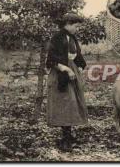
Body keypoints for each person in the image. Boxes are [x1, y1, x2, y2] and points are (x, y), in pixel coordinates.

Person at [45, 12, 88, 152]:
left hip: (72, 71)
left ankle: (68, 134)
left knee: (73, 102)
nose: (77, 28)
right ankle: (65, 138)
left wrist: (80, 66)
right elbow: (51, 59)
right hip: (61, 74)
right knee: (65, 102)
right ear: (68, 24)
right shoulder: (57, 37)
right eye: (76, 26)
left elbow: (76, 55)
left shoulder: (72, 37)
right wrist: (67, 70)